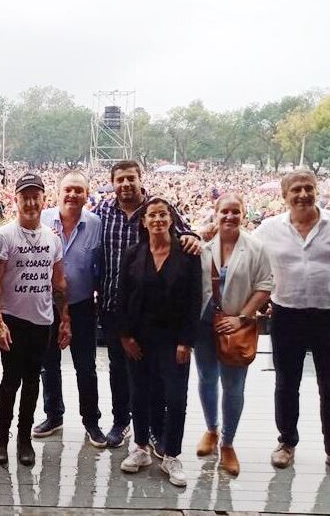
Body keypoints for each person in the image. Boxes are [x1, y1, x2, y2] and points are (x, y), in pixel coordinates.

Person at [94, 160, 201, 451]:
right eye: (120, 179)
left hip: (155, 311)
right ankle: (121, 422)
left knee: (154, 376)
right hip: (113, 303)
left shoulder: (157, 207)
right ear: (112, 183)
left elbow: (188, 235)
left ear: (141, 179)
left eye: (131, 178)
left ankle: (155, 430)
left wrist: (194, 238)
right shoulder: (101, 212)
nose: (126, 184)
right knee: (120, 367)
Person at [253, 170, 330, 478]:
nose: (303, 194)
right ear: (285, 196)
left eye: (308, 188)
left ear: (317, 190)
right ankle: (286, 443)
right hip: (286, 314)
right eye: (296, 190)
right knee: (286, 384)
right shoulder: (268, 229)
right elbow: (248, 258)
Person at [0, 172, 71, 467]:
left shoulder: (52, 239)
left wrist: (65, 320)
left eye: (36, 196)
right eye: (25, 196)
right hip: (12, 319)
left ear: (43, 199)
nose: (31, 202)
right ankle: (1, 437)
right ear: (16, 199)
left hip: (42, 321)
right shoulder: (3, 235)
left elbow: (59, 284)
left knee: (33, 381)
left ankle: (24, 438)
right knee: (10, 381)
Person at [117, 196, 201, 487]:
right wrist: (125, 335)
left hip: (173, 339)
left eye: (163, 215)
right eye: (151, 215)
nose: (157, 220)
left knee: (176, 398)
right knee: (139, 394)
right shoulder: (133, 254)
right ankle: (140, 447)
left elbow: (194, 300)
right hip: (139, 337)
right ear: (143, 221)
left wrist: (186, 341)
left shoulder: (188, 254)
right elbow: (123, 297)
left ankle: (172, 454)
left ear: (172, 219)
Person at [194, 193, 273, 476]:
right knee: (206, 378)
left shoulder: (255, 247)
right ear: (215, 214)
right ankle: (211, 429)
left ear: (244, 214)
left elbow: (264, 285)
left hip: (237, 324)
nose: (229, 217)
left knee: (233, 385)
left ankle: (228, 442)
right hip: (205, 323)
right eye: (224, 211)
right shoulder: (204, 246)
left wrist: (242, 318)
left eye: (235, 211)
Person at [34, 170, 107, 446]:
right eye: (68, 189)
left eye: (79, 190)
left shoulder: (96, 224)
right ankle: (54, 415)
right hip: (46, 305)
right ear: (58, 191)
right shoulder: (41, 220)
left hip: (82, 306)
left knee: (85, 367)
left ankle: (91, 421)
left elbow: (102, 265)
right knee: (48, 364)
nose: (73, 195)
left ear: (87, 194)